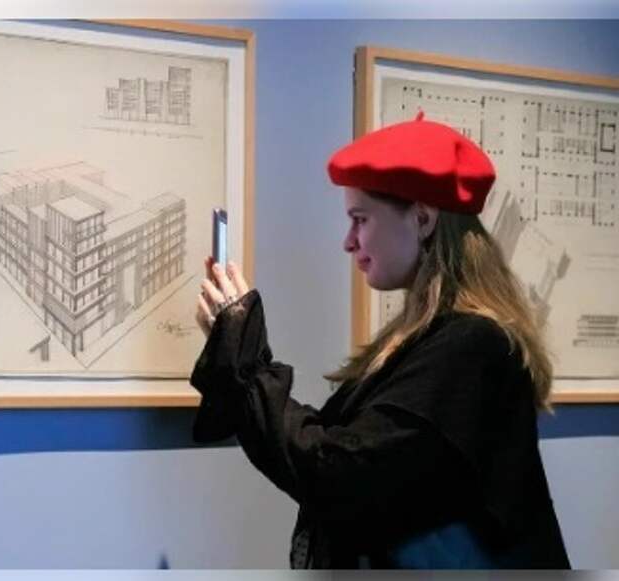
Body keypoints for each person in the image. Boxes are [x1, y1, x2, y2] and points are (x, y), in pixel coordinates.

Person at [191, 113, 571, 569]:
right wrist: (237, 344)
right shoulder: (438, 337)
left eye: (360, 219)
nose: (348, 242)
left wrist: (242, 349)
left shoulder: (472, 345)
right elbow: (329, 447)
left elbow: (336, 473)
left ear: (423, 218)